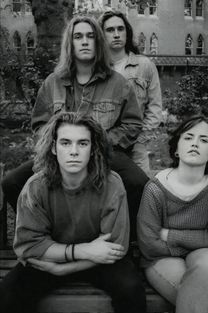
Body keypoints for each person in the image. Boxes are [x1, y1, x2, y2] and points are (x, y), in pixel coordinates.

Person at [2, 15, 148, 240]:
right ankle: (45, 233)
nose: (85, 41)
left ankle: (122, 240)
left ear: (99, 42)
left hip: (105, 152)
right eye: (78, 36)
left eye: (90, 36)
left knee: (139, 183)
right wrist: (58, 145)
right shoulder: (53, 82)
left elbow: (132, 124)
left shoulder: (118, 83)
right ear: (70, 44)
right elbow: (40, 124)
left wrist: (101, 142)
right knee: (12, 182)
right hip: (62, 152)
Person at [0, 112, 146, 313]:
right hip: (59, 256)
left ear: (93, 148)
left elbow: (114, 249)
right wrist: (81, 251)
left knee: (131, 290)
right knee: (9, 294)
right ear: (53, 147)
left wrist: (62, 269)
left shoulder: (111, 183)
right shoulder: (36, 187)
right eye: (66, 143)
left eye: (83, 143)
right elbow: (30, 246)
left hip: (98, 262)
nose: (74, 151)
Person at [137, 115, 208, 313]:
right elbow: (149, 244)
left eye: (204, 140)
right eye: (188, 138)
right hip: (162, 260)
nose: (195, 144)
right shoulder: (155, 188)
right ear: (176, 149)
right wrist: (195, 243)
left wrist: (170, 235)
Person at [99, 10, 162, 175]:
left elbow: (155, 108)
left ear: (127, 32)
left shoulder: (144, 66)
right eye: (110, 30)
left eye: (121, 29)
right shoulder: (96, 69)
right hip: (104, 146)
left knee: (140, 190)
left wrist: (141, 140)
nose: (116, 34)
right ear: (102, 34)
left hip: (135, 146)